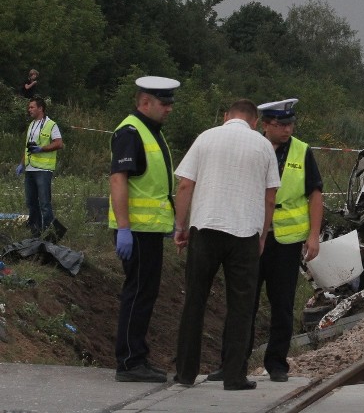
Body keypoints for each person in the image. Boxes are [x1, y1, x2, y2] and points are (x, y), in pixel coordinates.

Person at [207, 98, 323, 384]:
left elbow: (315, 194)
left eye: (290, 124)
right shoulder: (250, 146)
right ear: (266, 125)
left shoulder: (302, 151)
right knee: (242, 302)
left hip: (285, 241)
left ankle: (277, 363)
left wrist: (313, 236)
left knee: (281, 304)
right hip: (248, 236)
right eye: (281, 125)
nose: (287, 130)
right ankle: (232, 363)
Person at [172, 99, 280, 391]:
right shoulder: (263, 147)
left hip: (205, 229)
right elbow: (270, 197)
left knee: (195, 300)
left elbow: (185, 185)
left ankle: (185, 373)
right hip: (244, 234)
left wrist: (180, 226)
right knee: (241, 307)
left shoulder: (206, 138)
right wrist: (262, 235)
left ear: (225, 117)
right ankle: (233, 376)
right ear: (255, 121)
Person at [109, 76, 180, 383]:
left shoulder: (151, 131)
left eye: (170, 104)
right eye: (164, 104)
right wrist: (123, 228)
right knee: (137, 293)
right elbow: (118, 179)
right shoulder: (130, 131)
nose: (169, 110)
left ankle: (136, 356)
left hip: (147, 230)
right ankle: (128, 361)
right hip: (136, 231)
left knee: (144, 293)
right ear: (145, 102)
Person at [17, 97, 63, 238]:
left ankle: (50, 233)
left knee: (44, 203)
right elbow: (28, 148)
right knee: (31, 202)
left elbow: (59, 143)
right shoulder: (31, 125)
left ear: (40, 108)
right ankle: (35, 232)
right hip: (30, 169)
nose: (29, 109)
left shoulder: (51, 124)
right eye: (29, 107)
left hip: (43, 170)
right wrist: (21, 164)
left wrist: (41, 149)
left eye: (32, 107)